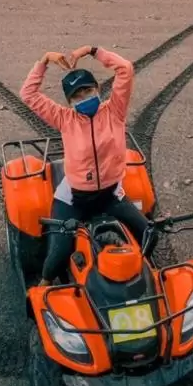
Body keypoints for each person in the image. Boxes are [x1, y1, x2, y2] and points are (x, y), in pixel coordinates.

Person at [20, 44, 155, 286]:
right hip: (74, 198)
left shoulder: (115, 111)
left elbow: (125, 69)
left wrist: (92, 51)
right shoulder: (64, 118)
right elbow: (28, 95)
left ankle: (141, 278)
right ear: (69, 101)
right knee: (57, 257)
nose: (84, 98)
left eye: (88, 90)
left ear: (97, 89)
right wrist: (44, 60)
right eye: (77, 96)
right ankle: (43, 287)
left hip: (111, 194)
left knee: (149, 234)